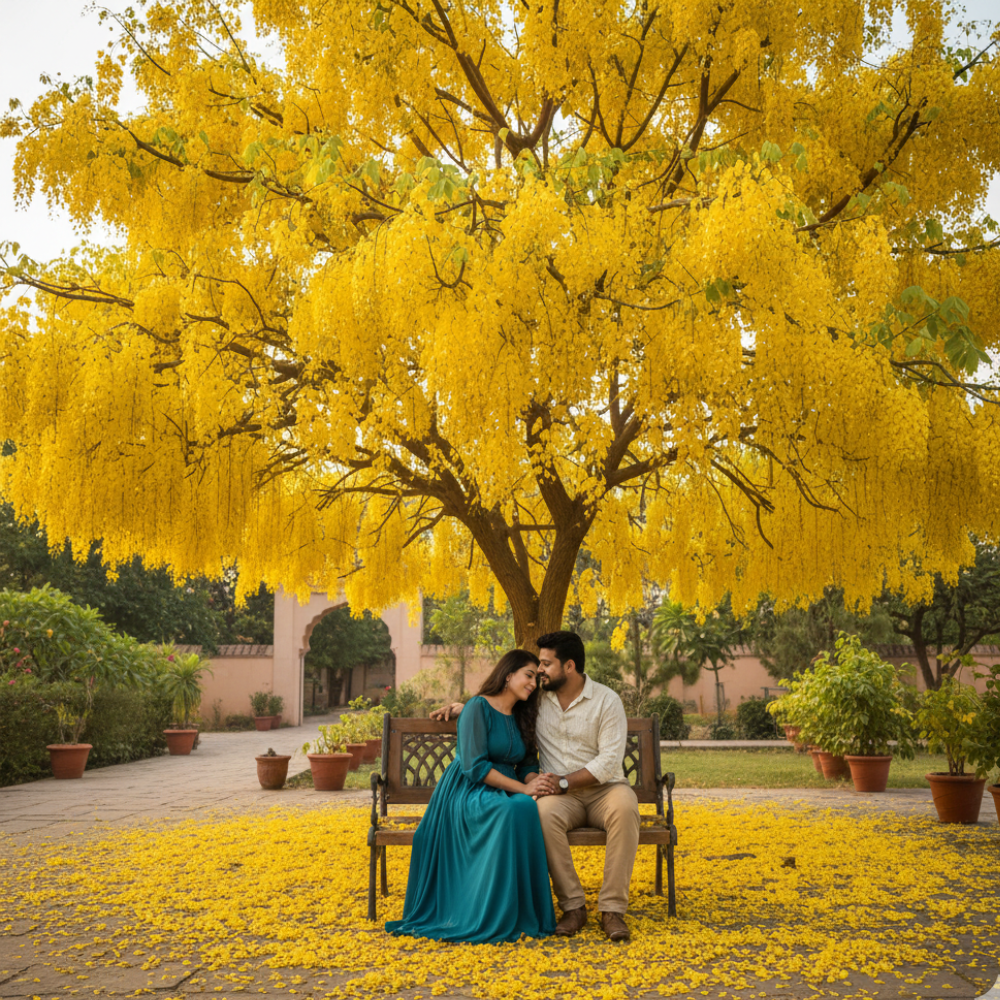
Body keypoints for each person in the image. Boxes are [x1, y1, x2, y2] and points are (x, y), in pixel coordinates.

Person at [433, 630, 640, 943]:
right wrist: (468, 708)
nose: (540, 671)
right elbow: (498, 707)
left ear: (568, 667)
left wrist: (565, 781)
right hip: (557, 795)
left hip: (604, 789)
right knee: (540, 814)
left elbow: (610, 761)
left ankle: (612, 910)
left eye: (546, 664)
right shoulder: (536, 700)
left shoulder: (606, 700)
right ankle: (573, 907)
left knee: (626, 809)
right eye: (537, 666)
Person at [385, 649, 556, 943]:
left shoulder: (523, 715)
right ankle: (488, 913)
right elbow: (474, 766)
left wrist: (535, 782)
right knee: (513, 809)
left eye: (536, 679)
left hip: (507, 787)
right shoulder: (477, 707)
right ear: (508, 675)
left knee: (525, 809)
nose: (533, 683)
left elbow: (527, 764)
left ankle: (521, 913)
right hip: (468, 789)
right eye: (529, 675)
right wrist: (525, 788)